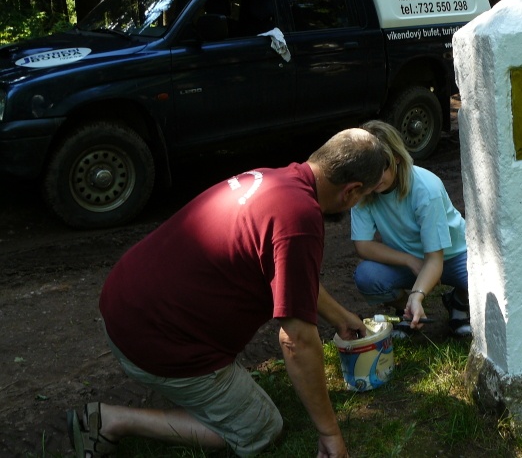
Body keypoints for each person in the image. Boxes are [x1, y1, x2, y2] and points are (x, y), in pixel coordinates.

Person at [66, 128, 388, 458]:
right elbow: (297, 341)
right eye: (364, 196)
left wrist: (340, 317)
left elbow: (288, 275)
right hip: (157, 340)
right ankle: (111, 421)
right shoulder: (299, 220)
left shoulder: (274, 179)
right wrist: (329, 432)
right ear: (351, 191)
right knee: (260, 428)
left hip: (124, 303)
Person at [350, 120, 471, 338]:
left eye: (381, 168)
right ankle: (405, 310)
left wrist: (418, 294)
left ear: (396, 157)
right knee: (367, 276)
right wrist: (408, 260)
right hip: (410, 258)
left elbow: (435, 259)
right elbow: (363, 245)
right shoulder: (363, 190)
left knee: (483, 278)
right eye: (367, 171)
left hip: (453, 255)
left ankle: (459, 302)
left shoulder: (426, 188)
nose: (373, 179)